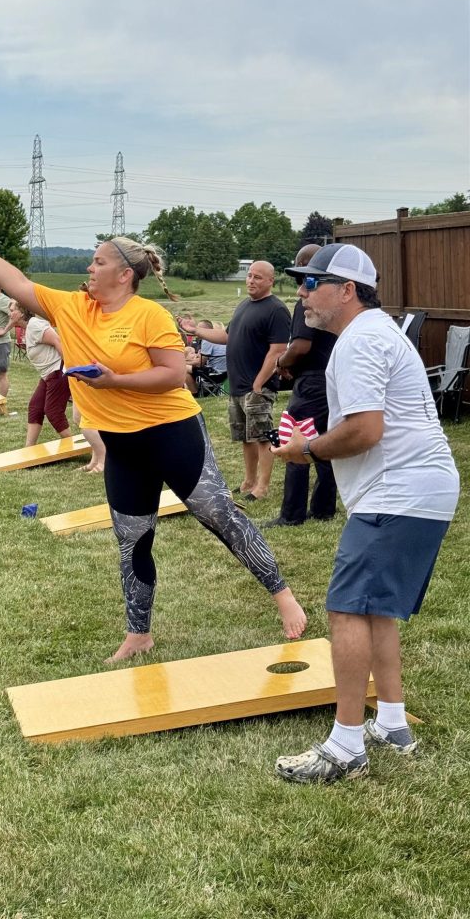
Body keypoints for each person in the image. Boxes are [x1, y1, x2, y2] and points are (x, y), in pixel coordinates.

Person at [0, 214, 307, 662]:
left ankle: (282, 594)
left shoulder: (148, 315)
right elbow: (17, 281)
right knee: (132, 538)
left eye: (97, 262)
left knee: (218, 515)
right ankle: (139, 633)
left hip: (172, 434)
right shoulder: (71, 308)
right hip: (122, 445)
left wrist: (114, 380)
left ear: (123, 275)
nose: (89, 269)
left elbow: (175, 375)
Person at [271, 244, 459, 784]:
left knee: (347, 609)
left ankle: (346, 745)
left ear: (347, 289)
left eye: (312, 283)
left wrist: (303, 452)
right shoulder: (376, 333)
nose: (302, 294)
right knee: (375, 611)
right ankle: (393, 724)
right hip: (419, 488)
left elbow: (364, 430)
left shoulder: (358, 341)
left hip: (397, 491)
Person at [180, 262, 290, 500]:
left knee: (262, 436)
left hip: (257, 387)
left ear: (271, 281)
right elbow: (227, 337)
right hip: (238, 386)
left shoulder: (276, 310)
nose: (251, 280)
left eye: (258, 277)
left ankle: (262, 486)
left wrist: (260, 383)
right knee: (245, 438)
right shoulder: (244, 306)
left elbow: (278, 350)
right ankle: (248, 482)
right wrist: (195, 331)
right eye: (249, 276)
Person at [263, 245, 338, 528]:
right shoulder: (332, 303)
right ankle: (323, 508)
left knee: (295, 440)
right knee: (323, 441)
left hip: (311, 382)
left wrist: (281, 362)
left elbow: (301, 345)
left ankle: (291, 514)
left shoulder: (306, 302)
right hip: (331, 378)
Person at [9, 300, 73, 445]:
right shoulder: (28, 327)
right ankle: (29, 447)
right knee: (35, 407)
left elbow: (58, 341)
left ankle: (71, 444)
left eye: (12, 310)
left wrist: (70, 367)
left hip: (58, 370)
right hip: (48, 375)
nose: (10, 313)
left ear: (22, 312)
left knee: (53, 411)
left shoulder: (35, 325)